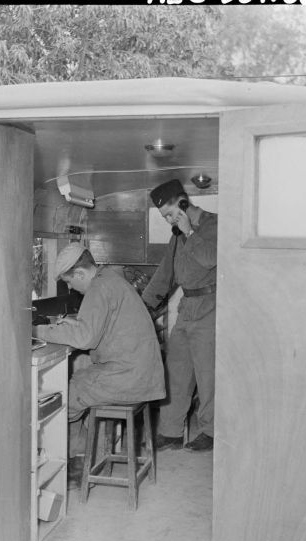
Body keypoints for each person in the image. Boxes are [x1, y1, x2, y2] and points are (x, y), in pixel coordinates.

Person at [38, 243, 166, 463]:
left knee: (63, 396)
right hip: (142, 373)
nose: (70, 289)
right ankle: (82, 454)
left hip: (129, 377)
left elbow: (84, 338)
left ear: (79, 273)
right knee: (79, 379)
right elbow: (99, 327)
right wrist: (76, 324)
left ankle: (67, 461)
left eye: (69, 282)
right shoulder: (110, 279)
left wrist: (36, 330)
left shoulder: (98, 288)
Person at [141, 178, 217, 452]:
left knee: (208, 375)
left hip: (211, 307)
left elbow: (211, 258)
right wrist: (144, 306)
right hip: (187, 309)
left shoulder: (214, 225)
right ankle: (171, 431)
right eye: (165, 217)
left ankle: (210, 431)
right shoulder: (177, 234)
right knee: (176, 370)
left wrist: (190, 233)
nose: (170, 220)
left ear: (184, 202)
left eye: (171, 214)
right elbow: (166, 274)